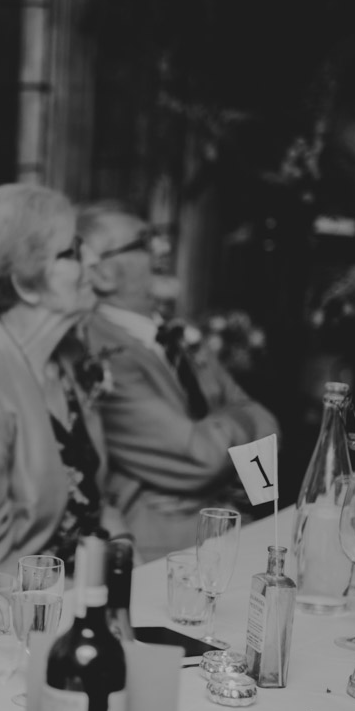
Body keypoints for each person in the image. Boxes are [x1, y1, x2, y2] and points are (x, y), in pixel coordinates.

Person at [80, 203, 279, 560]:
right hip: (163, 550)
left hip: (228, 528)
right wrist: (240, 424)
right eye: (144, 242)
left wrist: (247, 485)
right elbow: (199, 459)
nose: (163, 248)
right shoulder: (100, 351)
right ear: (102, 274)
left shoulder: (176, 334)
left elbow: (269, 426)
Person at [0, 183, 127, 574]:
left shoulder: (66, 361)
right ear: (26, 284)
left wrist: (123, 556)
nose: (93, 258)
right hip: (31, 607)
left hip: (91, 587)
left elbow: (97, 503)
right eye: (71, 252)